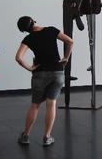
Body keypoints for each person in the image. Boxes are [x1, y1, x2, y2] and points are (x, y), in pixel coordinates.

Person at [15, 16, 73, 146]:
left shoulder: (28, 38)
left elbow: (18, 58)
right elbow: (70, 41)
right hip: (57, 72)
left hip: (39, 74)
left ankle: (25, 136)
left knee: (35, 105)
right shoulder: (51, 30)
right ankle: (47, 137)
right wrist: (66, 58)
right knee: (51, 104)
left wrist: (30, 68)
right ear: (34, 20)